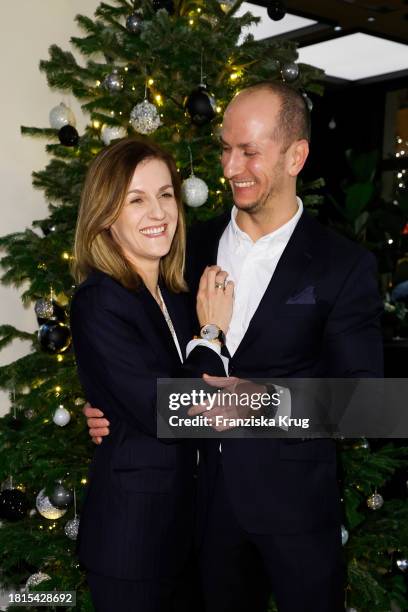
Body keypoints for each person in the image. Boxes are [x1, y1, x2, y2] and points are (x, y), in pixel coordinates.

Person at [84, 82, 384, 612]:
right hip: (197, 517)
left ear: (297, 155)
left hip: (295, 516)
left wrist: (253, 404)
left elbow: (367, 405)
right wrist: (110, 404)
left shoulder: (343, 265)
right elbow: (152, 361)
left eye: (249, 151)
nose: (230, 166)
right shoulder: (182, 246)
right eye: (225, 147)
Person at [70, 137, 234, 612]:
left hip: (185, 538)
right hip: (132, 544)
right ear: (105, 215)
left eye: (165, 194)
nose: (158, 211)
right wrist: (209, 333)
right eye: (136, 200)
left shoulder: (174, 295)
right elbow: (174, 410)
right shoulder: (99, 300)